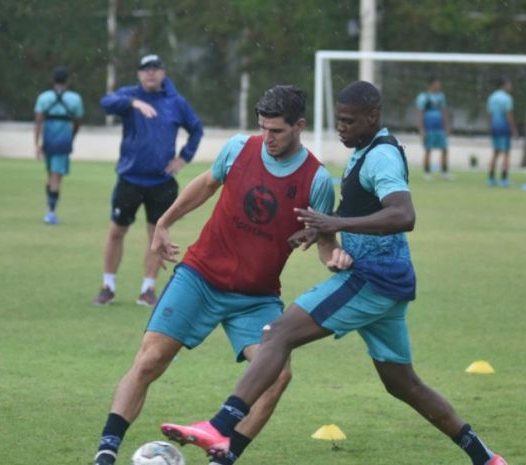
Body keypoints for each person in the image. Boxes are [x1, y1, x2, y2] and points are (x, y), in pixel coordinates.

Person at [162, 81, 510, 465]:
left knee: (278, 333)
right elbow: (364, 208)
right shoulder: (365, 150)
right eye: (338, 120)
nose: (341, 128)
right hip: (390, 282)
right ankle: (486, 458)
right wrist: (324, 228)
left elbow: (402, 215)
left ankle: (220, 427)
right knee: (403, 383)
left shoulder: (381, 158)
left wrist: (331, 221)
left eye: (348, 121)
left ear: (372, 118)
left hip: (370, 280)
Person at [92, 85, 337, 465]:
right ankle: (105, 453)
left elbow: (325, 241)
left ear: (299, 125)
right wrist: (164, 223)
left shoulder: (317, 181)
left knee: (278, 376)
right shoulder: (240, 148)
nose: (267, 138)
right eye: (263, 128)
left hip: (256, 298)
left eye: (276, 131)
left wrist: (331, 253)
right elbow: (206, 184)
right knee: (150, 360)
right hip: (200, 278)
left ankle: (224, 458)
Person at [93, 54, 203, 307]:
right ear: (139, 74)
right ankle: (108, 285)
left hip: (161, 182)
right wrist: (133, 103)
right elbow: (106, 102)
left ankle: (148, 289)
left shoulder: (176, 102)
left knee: (157, 233)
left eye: (155, 68)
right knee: (117, 231)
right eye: (145, 69)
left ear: (163, 72)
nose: (150, 73)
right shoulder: (128, 96)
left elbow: (196, 129)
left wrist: (183, 158)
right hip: (130, 178)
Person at [33, 65, 84, 224]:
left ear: (53, 80)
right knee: (56, 179)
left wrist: (37, 144)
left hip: (48, 141)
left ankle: (49, 208)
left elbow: (38, 122)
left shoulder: (44, 98)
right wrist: (72, 136)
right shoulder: (74, 99)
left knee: (50, 175)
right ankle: (51, 212)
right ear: (67, 81)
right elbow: (77, 121)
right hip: (63, 143)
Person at [416, 77, 451, 180]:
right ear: (431, 84)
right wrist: (421, 129)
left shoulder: (441, 97)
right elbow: (420, 113)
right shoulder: (423, 97)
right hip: (429, 128)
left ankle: (444, 172)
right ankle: (427, 173)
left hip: (440, 128)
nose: (439, 86)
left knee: (444, 149)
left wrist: (447, 126)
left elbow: (444, 112)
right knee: (428, 149)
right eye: (437, 84)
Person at [486, 78, 518, 187]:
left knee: (495, 153)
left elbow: (489, 114)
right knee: (506, 154)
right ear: (504, 85)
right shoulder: (507, 98)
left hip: (495, 128)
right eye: (509, 84)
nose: (510, 87)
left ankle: (491, 178)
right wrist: (514, 130)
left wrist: (490, 127)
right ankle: (504, 179)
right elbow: (509, 115)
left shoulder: (492, 97)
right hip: (504, 128)